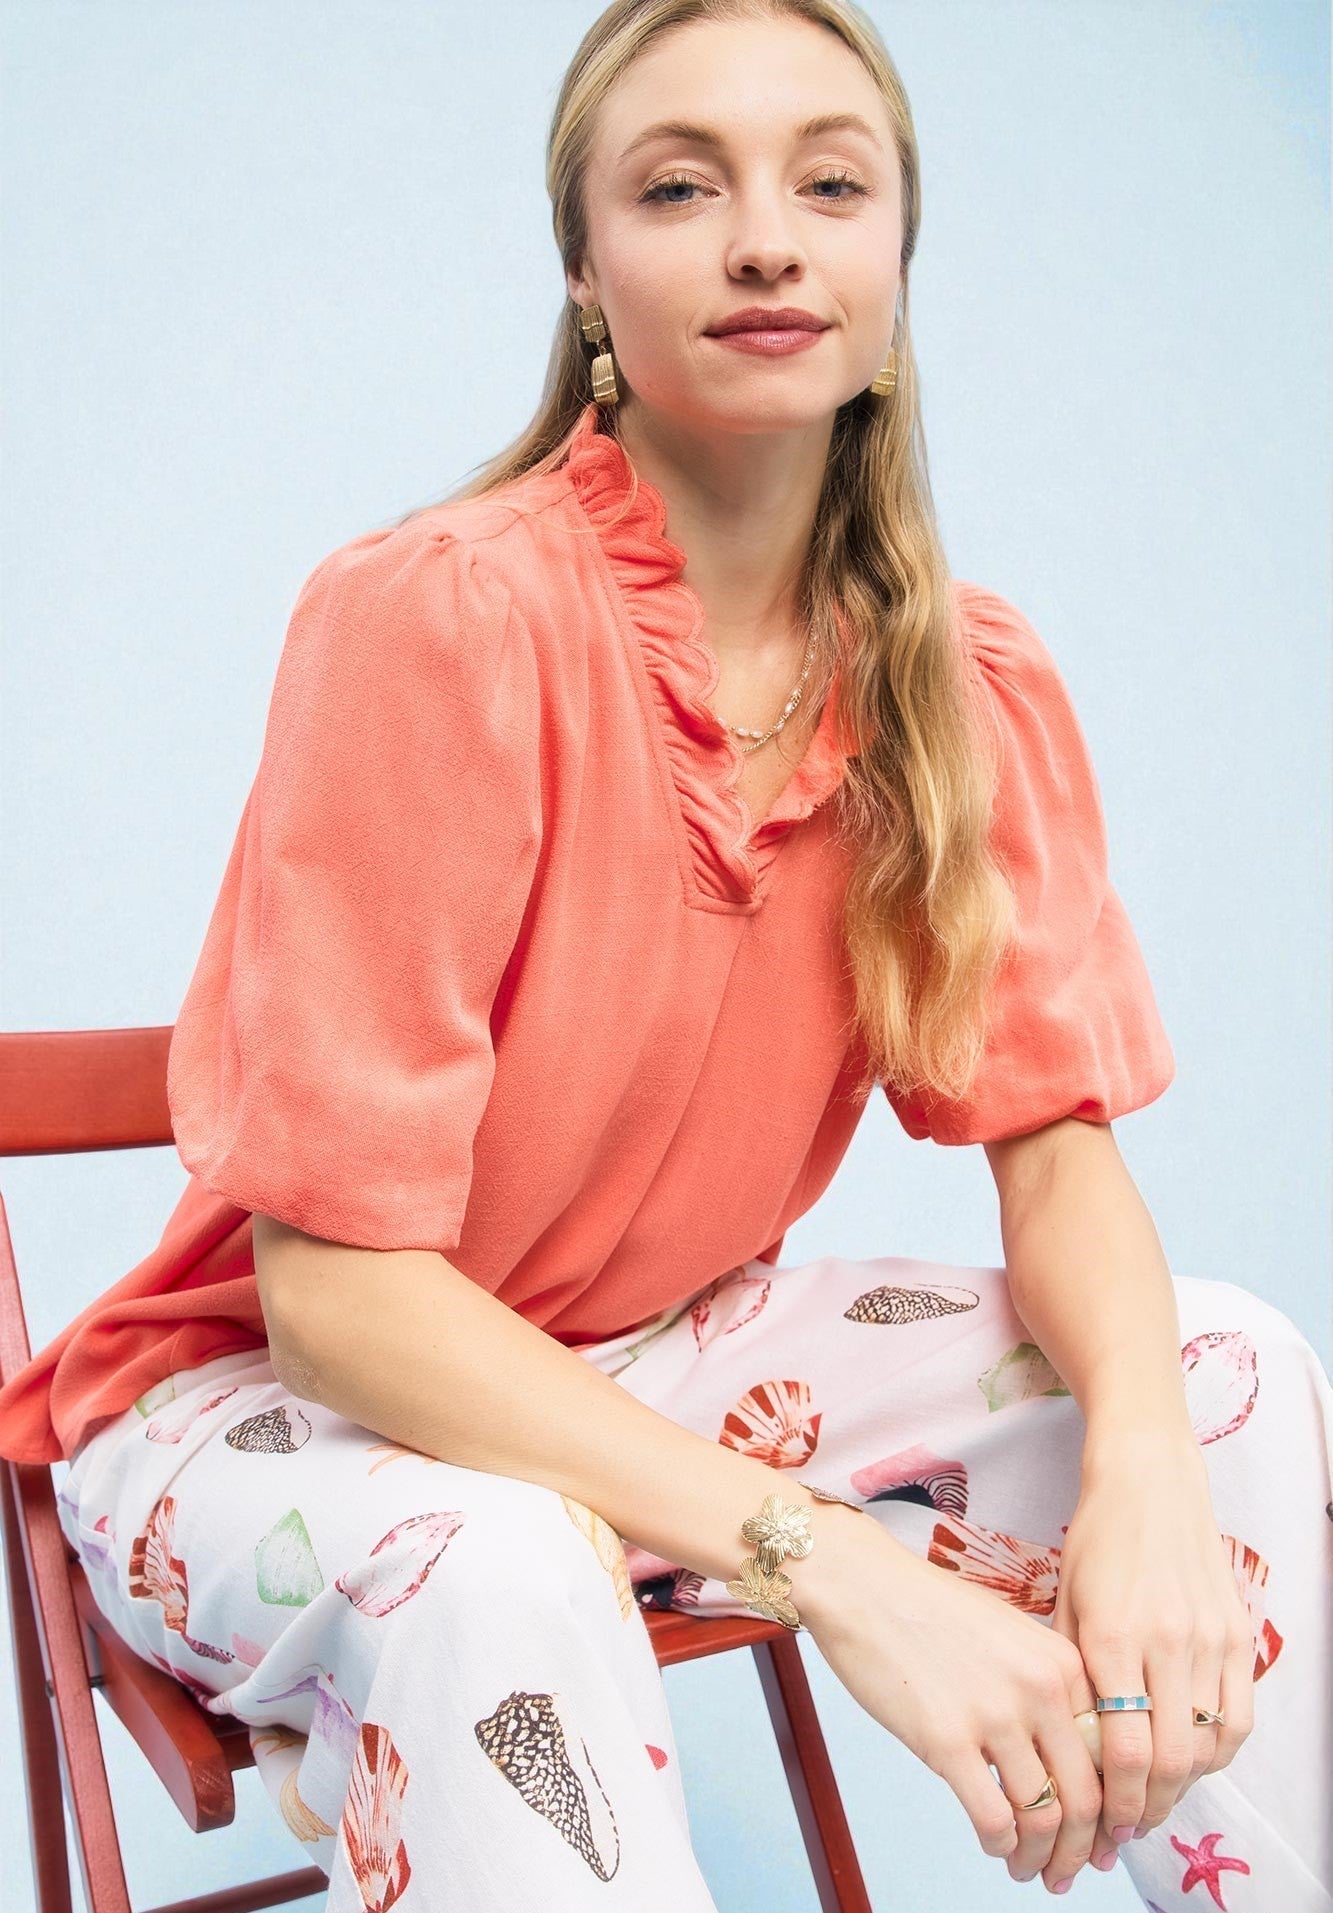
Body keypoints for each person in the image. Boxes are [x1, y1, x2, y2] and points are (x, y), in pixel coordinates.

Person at [4, 3, 1330, 1908]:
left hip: (653, 1366)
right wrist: (841, 1565)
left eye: (830, 182)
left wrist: (1139, 1473)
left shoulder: (964, 684)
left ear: (890, 268)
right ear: (587, 277)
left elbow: (1061, 1160)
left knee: (1222, 1371)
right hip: (263, 1415)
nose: (765, 237)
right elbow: (337, 1302)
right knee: (501, 1556)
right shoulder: (438, 623)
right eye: (680, 184)